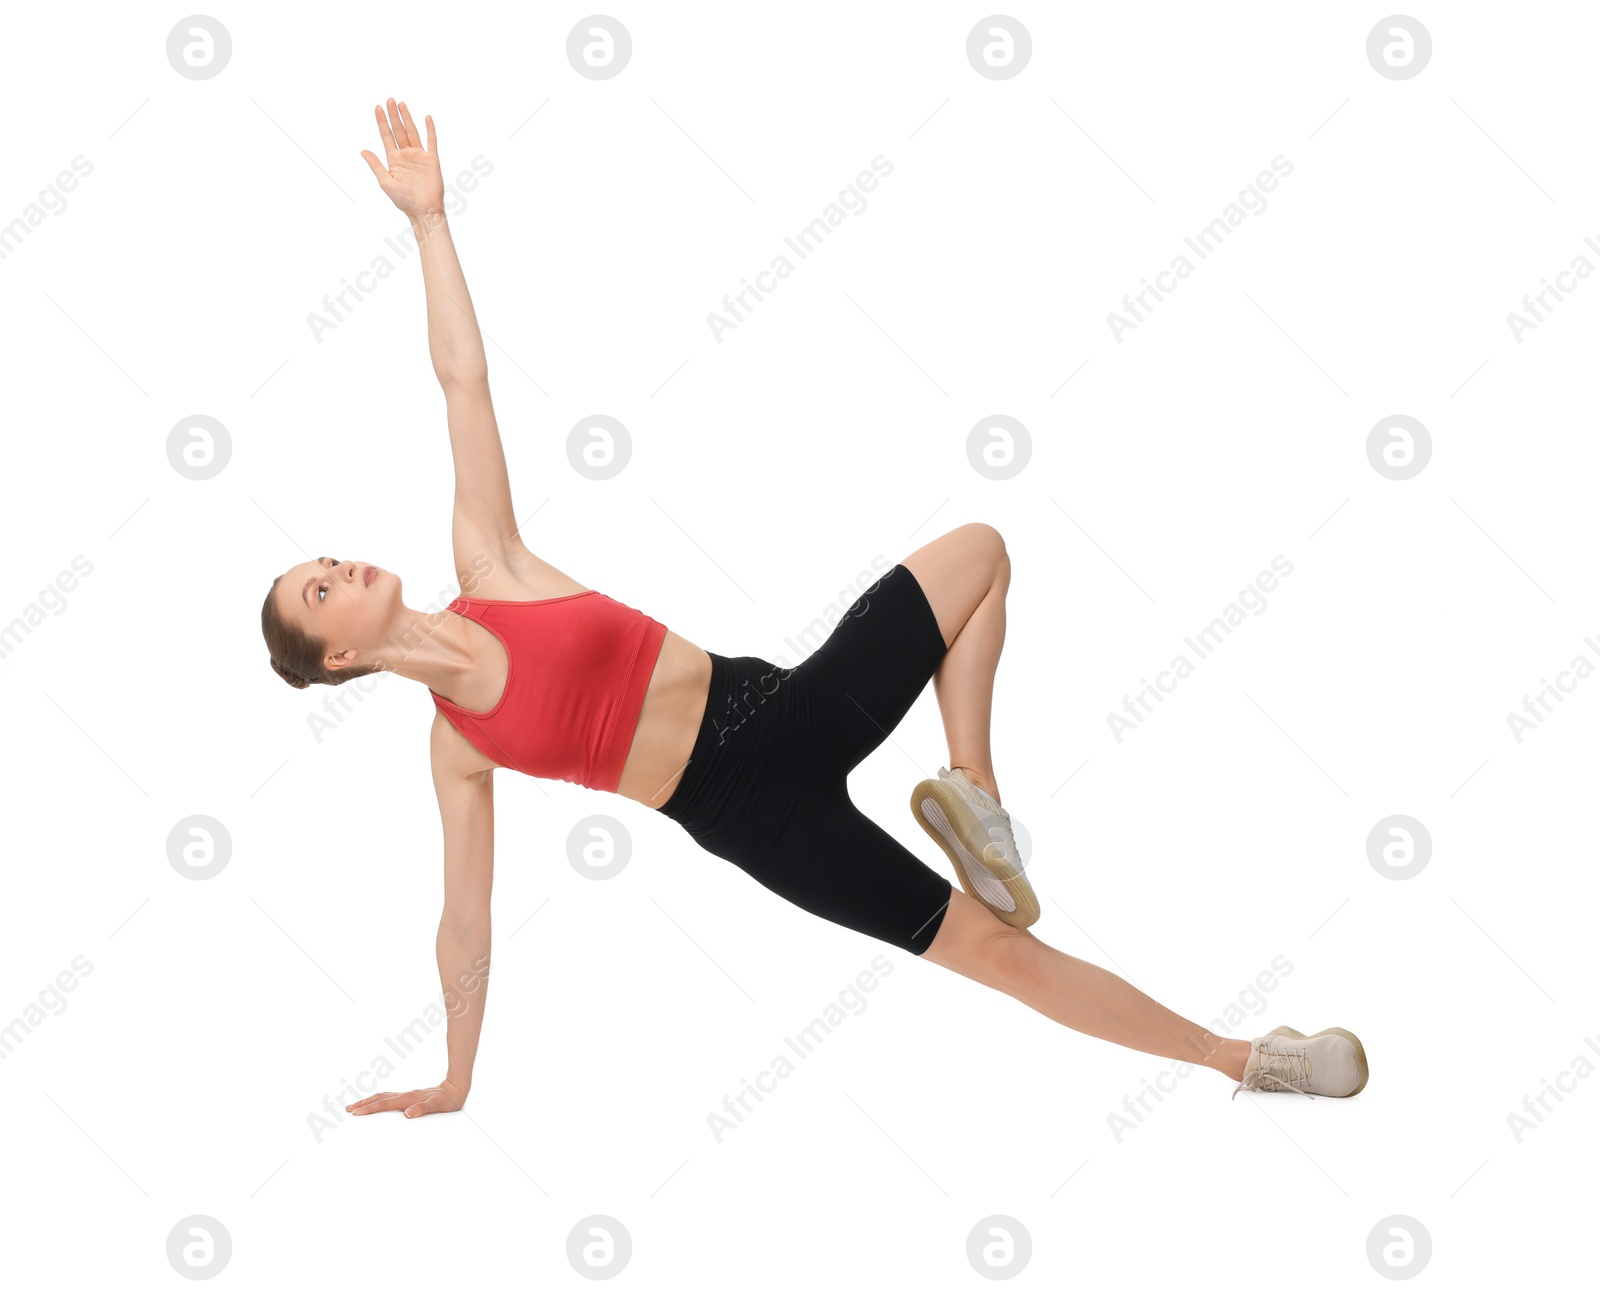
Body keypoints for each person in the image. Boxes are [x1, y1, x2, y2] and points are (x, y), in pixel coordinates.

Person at [260, 100, 1368, 1121]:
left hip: (778, 705)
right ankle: (1245, 1057)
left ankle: (971, 791)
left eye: (326, 559)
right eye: (320, 589)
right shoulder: (460, 749)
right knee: (999, 957)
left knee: (978, 552)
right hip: (753, 816)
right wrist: (459, 1072)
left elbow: (462, 381)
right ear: (341, 655)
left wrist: (430, 223)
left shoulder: (489, 564)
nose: (340, 565)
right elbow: (463, 919)